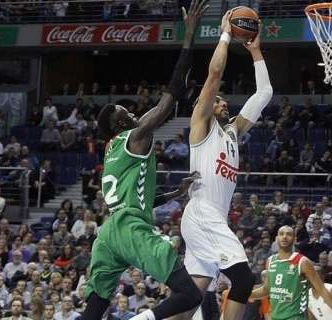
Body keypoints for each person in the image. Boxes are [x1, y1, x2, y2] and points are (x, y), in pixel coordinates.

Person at [81, 2, 208, 320]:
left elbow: (136, 197)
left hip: (108, 233)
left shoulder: (112, 151)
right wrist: (188, 39)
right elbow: (170, 99)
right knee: (190, 293)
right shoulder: (135, 136)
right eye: (127, 113)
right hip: (128, 230)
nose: (133, 112)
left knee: (94, 310)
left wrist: (173, 195)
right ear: (120, 125)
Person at [175, 10, 274, 320]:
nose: (223, 102)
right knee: (243, 280)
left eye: (222, 101)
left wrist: (256, 50)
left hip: (211, 219)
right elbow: (214, 75)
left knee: (188, 299)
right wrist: (225, 34)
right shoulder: (200, 125)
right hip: (203, 214)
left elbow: (264, 93)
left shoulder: (233, 131)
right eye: (217, 100)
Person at [249, 226, 332, 320]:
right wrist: (247, 294)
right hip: (275, 317)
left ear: (294, 239)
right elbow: (267, 289)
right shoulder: (270, 261)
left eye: (289, 234)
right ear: (276, 238)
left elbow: (322, 290)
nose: (284, 236)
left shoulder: (303, 262)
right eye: (281, 234)